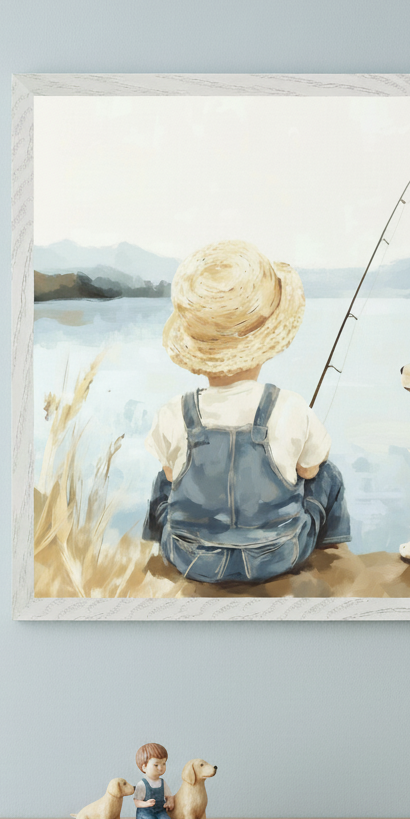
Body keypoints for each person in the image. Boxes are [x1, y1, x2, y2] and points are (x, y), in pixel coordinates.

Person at [143, 239, 351, 583]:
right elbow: (311, 470)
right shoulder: (289, 407)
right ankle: (334, 559)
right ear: (265, 347)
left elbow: (168, 474)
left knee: (164, 480)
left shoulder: (173, 412)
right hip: (279, 555)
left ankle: (154, 554)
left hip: (190, 557)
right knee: (329, 475)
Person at [133, 742, 175, 819]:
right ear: (144, 767)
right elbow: (136, 802)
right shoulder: (142, 784)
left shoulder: (162, 782)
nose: (161, 768)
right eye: (156, 765)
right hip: (146, 813)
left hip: (160, 811)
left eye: (163, 763)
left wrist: (169, 802)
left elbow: (169, 796)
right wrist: (146, 804)